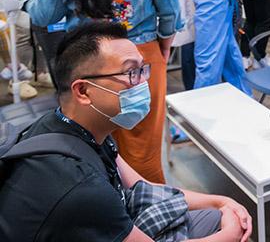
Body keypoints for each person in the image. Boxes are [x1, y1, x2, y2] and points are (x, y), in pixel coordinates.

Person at [0, 22, 252, 242]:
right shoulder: (79, 187)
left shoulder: (75, 126)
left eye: (143, 69)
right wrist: (229, 235)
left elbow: (143, 186)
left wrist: (221, 200)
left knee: (214, 214)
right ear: (83, 91)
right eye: (131, 72)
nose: (143, 83)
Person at [15, 0, 182, 183]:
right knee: (143, 143)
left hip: (89, 62)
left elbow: (42, 15)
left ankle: (109, 205)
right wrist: (162, 47)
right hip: (140, 56)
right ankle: (154, 208)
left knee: (95, 140)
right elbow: (170, 15)